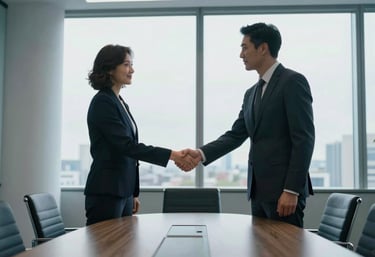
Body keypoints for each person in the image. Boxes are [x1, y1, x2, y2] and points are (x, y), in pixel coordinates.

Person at [184, 23, 314, 227]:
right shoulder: (251, 93)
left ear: (263, 48)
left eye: (245, 47)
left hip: (284, 193)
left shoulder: (293, 82)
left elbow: (304, 139)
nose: (240, 54)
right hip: (258, 191)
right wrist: (200, 153)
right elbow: (235, 135)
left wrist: (291, 190)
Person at [84, 44, 198, 226]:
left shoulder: (119, 101)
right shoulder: (103, 102)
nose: (132, 70)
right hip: (107, 192)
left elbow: (129, 154)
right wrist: (173, 155)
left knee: (123, 248)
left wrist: (132, 193)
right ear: (110, 68)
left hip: (123, 192)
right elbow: (127, 146)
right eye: (126, 65)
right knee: (105, 249)